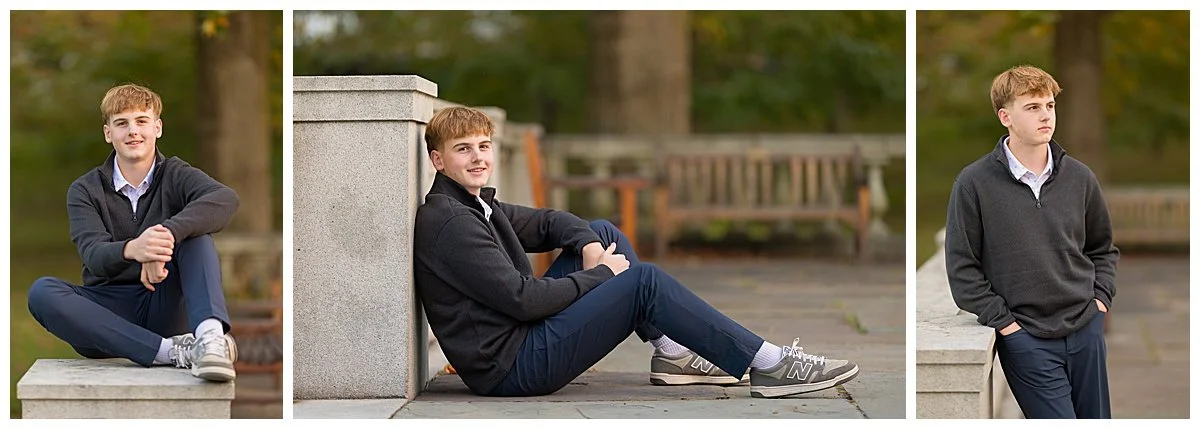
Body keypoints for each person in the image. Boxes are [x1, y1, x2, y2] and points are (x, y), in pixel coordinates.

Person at [413, 106, 859, 398]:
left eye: (483, 147)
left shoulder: (474, 203)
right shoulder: (451, 222)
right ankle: (769, 363)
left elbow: (550, 223)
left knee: (603, 231)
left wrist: (589, 246)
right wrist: (601, 275)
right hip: (511, 367)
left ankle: (671, 353)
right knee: (642, 281)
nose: (478, 158)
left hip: (518, 340)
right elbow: (523, 300)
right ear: (438, 160)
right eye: (462, 150)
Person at [27, 83, 241, 382]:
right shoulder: (85, 190)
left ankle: (210, 341)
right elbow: (94, 254)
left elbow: (225, 199)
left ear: (158, 127)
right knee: (42, 292)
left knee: (197, 235)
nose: (133, 132)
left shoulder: (176, 174)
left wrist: (164, 235)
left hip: (163, 301)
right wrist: (134, 250)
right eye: (122, 123)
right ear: (108, 133)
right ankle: (174, 352)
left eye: (141, 121)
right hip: (108, 317)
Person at [945, 65, 1120, 418]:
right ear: (1005, 116)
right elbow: (963, 268)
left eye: (1049, 105)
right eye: (1033, 107)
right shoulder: (975, 184)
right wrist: (1007, 326)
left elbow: (1103, 248)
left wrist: (1100, 302)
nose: (1045, 116)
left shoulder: (1080, 177)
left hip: (1085, 329)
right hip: (1027, 338)